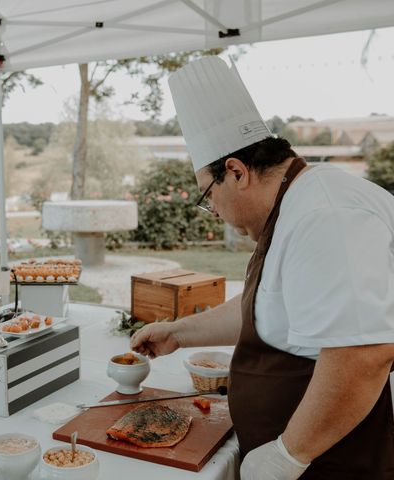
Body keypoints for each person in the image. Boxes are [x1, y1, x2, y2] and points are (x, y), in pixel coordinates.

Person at [130, 56, 394, 479]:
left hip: (334, 461)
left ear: (236, 172)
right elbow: (266, 310)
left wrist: (286, 457)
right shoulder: (294, 206)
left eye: (207, 195)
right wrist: (179, 332)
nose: (212, 210)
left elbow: (362, 355)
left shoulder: (325, 215)